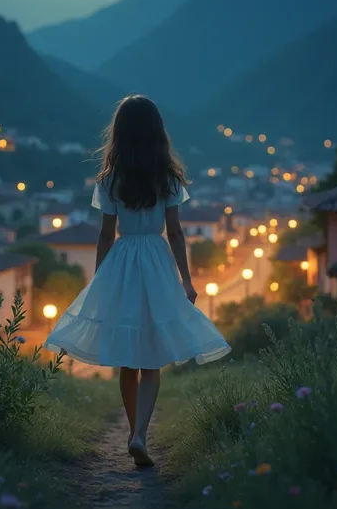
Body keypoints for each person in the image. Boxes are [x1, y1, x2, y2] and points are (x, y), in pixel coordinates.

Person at [45, 95, 231, 466]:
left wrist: (100, 280)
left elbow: (105, 235)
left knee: (128, 360)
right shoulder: (168, 178)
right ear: (157, 132)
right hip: (158, 263)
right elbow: (176, 234)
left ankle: (133, 433)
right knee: (152, 360)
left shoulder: (110, 180)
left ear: (120, 134)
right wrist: (187, 280)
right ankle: (141, 434)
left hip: (123, 262)